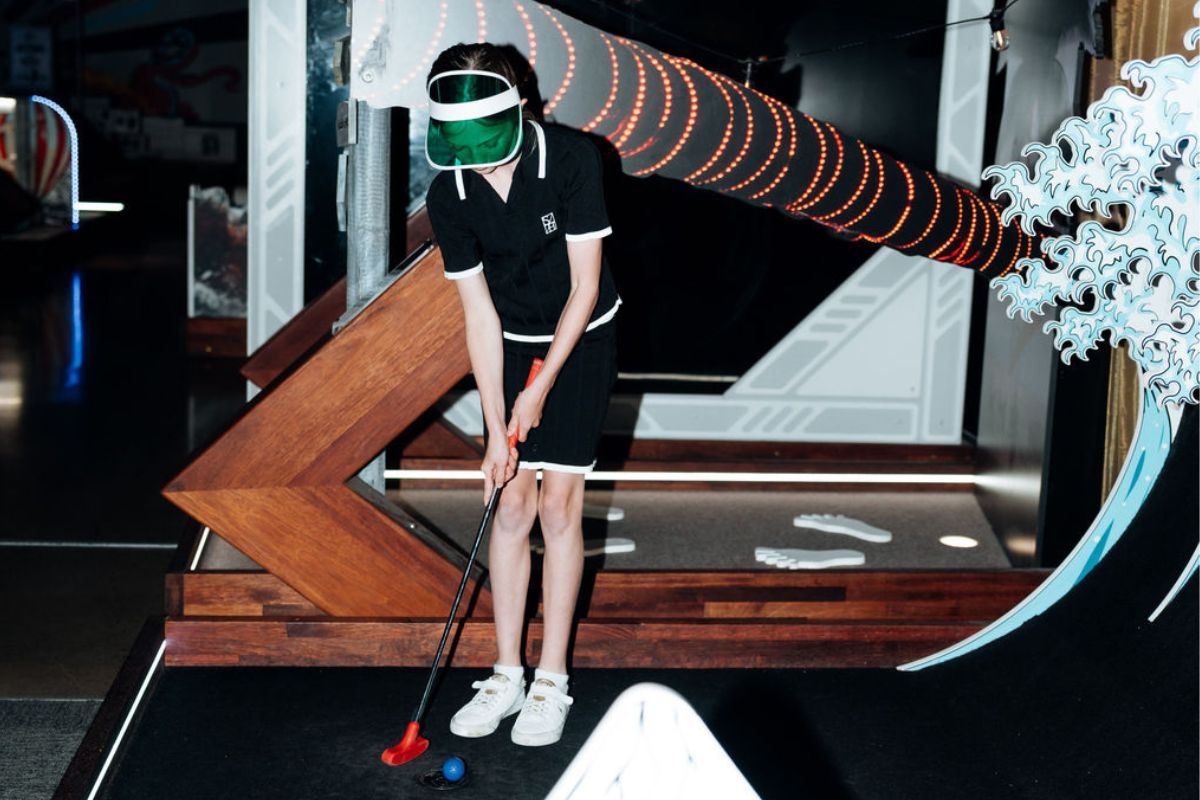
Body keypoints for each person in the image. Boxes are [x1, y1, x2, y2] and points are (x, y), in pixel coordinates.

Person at [422, 43, 620, 747]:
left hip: (583, 334)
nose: (476, 159)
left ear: (519, 107)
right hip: (508, 342)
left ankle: (552, 680)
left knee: (559, 505)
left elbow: (586, 287)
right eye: (462, 146)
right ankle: (505, 673)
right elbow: (478, 315)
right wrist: (494, 424)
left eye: (487, 142)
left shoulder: (570, 160)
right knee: (510, 500)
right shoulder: (450, 191)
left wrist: (537, 396)